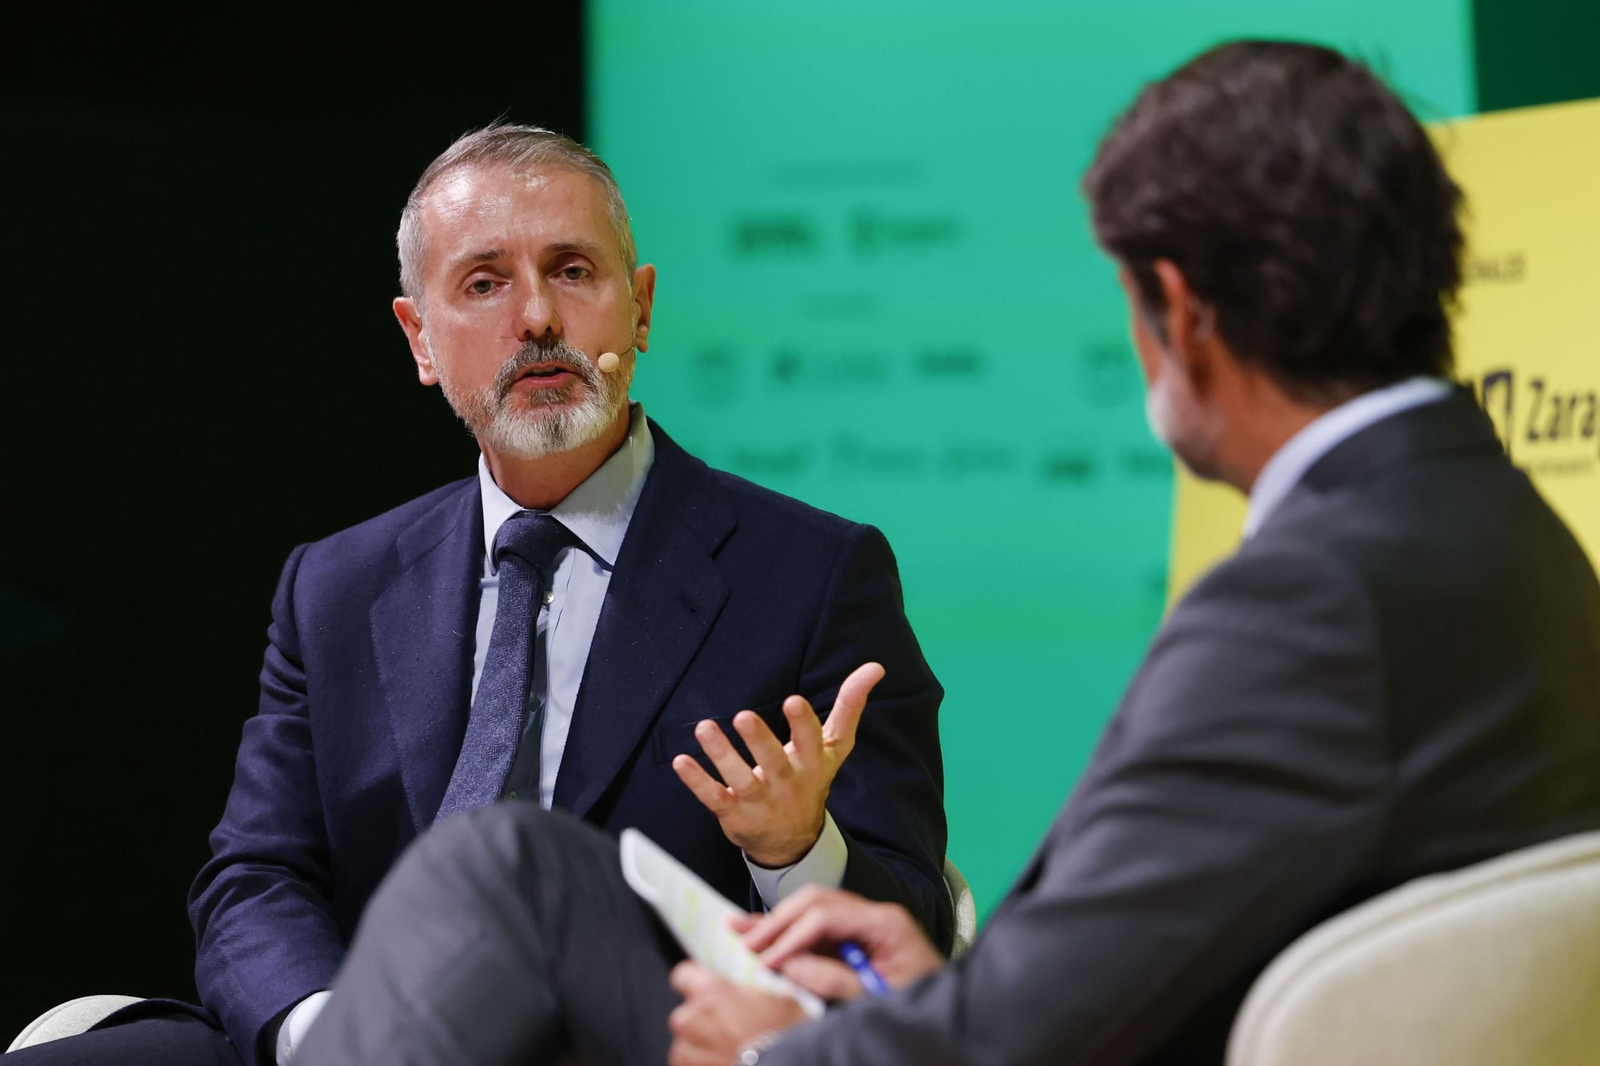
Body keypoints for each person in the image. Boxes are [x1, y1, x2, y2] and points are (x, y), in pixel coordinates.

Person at [289, 41, 1600, 1066]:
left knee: (502, 869)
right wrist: (934, 984)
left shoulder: (1308, 599)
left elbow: (1043, 1019)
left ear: (1179, 314)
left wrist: (801, 1048)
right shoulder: (1514, 537)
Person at [5, 127, 949, 1065]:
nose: (536, 316)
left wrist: (794, 849)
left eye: (574, 270)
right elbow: (256, 876)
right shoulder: (334, 586)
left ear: (642, 309)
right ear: (419, 337)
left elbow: (916, 939)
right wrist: (326, 1032)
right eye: (485, 283)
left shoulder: (813, 575)